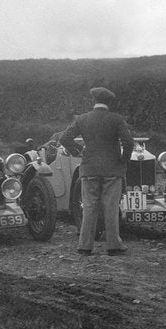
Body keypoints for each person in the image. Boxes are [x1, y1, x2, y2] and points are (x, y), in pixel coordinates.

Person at [60, 87, 134, 256]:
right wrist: (123, 160)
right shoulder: (116, 119)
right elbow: (128, 142)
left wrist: (80, 151)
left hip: (89, 168)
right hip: (112, 170)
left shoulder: (82, 119)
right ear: (109, 102)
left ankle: (84, 246)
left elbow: (64, 138)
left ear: (94, 101)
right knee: (111, 207)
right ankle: (113, 246)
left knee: (89, 207)